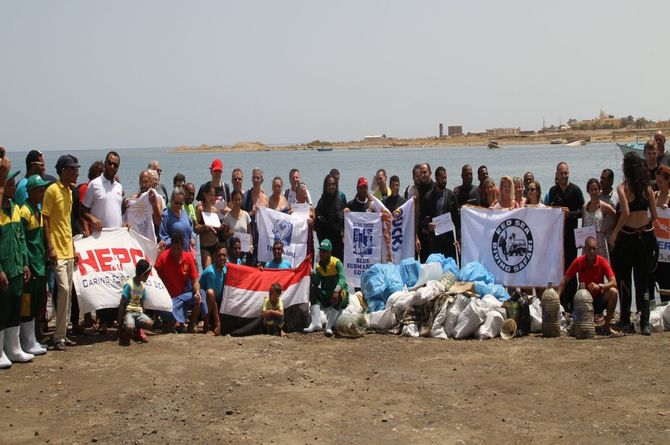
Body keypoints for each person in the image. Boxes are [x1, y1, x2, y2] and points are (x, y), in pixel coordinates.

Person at [610, 152, 658, 335]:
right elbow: (653, 216)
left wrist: (615, 232)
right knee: (642, 281)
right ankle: (644, 321)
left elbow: (626, 212)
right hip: (645, 236)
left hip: (627, 237)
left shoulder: (623, 187)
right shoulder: (647, 189)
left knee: (624, 279)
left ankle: (624, 318)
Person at [43, 155, 80, 351]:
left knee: (68, 294)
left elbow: (67, 222)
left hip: (68, 248)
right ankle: (58, 336)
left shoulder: (70, 192)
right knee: (63, 290)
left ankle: (62, 334)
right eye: (73, 169)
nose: (77, 172)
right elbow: (46, 219)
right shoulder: (52, 191)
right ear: (63, 170)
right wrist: (50, 246)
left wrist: (73, 247)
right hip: (57, 250)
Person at [1, 166, 33, 367]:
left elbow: (21, 238)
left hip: (17, 268)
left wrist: (25, 263)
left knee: (15, 306)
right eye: (10, 185)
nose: (14, 188)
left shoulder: (14, 208)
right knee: (1, 309)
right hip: (4, 268)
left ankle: (13, 348)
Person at [557, 236, 619, 335]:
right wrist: (557, 296)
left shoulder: (602, 261)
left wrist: (600, 286)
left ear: (597, 249)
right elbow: (565, 280)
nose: (591, 252)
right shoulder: (579, 261)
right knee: (579, 328)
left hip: (598, 300)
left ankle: (607, 326)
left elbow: (614, 282)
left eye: (594, 249)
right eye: (589, 248)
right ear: (584, 249)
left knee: (613, 291)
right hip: (583, 302)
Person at [19, 175, 51, 356]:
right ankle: (26, 341)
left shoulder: (37, 210)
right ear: (31, 192)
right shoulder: (24, 212)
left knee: (36, 303)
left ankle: (32, 339)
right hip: (31, 266)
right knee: (27, 304)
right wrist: (26, 264)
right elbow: (22, 240)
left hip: (40, 265)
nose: (43, 193)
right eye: (40, 190)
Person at [546, 162, 585, 312]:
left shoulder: (575, 190)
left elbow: (582, 212)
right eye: (561, 173)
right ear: (556, 174)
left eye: (566, 173)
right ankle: (560, 301)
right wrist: (556, 210)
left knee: (571, 268)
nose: (564, 176)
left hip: (571, 237)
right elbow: (549, 212)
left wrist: (571, 214)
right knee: (558, 269)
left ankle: (571, 301)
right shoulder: (553, 191)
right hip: (557, 238)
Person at [154, 231, 207, 333]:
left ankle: (190, 325)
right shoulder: (163, 257)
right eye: (174, 249)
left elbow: (195, 279)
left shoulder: (188, 257)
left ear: (183, 247)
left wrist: (196, 292)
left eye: (179, 249)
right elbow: (153, 274)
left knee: (202, 294)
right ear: (171, 247)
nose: (176, 251)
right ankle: (175, 320)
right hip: (168, 299)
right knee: (168, 310)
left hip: (183, 296)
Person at [304, 239, 348, 337]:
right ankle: (316, 323)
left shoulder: (336, 263)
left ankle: (328, 327)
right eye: (321, 251)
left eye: (324, 251)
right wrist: (311, 272)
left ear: (329, 253)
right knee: (313, 290)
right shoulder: (319, 266)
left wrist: (336, 291)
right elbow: (316, 283)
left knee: (341, 293)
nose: (322, 253)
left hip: (339, 295)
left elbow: (342, 279)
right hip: (328, 295)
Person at [82, 151, 123, 233]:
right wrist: (92, 219)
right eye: (110, 163)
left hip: (117, 236)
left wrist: (124, 224)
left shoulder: (119, 186)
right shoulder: (94, 184)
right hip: (100, 237)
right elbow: (82, 211)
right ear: (105, 163)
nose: (112, 166)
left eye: (115, 165)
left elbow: (117, 212)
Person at [117, 259, 154, 346]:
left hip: (138, 312)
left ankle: (138, 329)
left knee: (149, 323)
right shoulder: (129, 285)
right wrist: (119, 326)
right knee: (129, 327)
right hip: (129, 312)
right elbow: (122, 305)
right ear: (142, 275)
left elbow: (142, 303)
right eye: (147, 275)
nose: (148, 277)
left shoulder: (142, 286)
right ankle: (125, 333)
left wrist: (142, 314)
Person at [425, 166, 459, 261]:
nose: (444, 180)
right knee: (436, 269)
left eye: (445, 178)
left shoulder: (451, 195)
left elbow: (456, 219)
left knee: (451, 270)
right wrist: (428, 225)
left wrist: (458, 238)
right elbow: (422, 217)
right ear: (436, 178)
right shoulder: (428, 197)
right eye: (442, 178)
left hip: (448, 239)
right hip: (435, 240)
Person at [582, 178, 616, 262]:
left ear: (599, 190)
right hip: (587, 243)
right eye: (591, 189)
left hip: (600, 242)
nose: (593, 192)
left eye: (595, 189)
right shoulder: (584, 207)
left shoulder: (604, 206)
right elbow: (583, 226)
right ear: (588, 191)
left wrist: (609, 229)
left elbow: (617, 216)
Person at [195, 182, 226, 269]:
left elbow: (217, 230)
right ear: (205, 194)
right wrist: (205, 227)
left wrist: (221, 227)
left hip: (215, 244)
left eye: (214, 195)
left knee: (217, 271)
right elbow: (195, 228)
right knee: (208, 271)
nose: (212, 198)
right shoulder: (200, 209)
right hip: (205, 246)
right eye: (210, 195)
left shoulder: (215, 210)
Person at [315, 174, 345, 261]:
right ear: (325, 186)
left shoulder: (340, 201)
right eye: (329, 185)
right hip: (326, 244)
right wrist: (322, 245)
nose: (331, 187)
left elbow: (343, 222)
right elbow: (319, 225)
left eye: (333, 184)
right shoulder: (322, 202)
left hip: (339, 244)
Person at [199, 243, 227, 336]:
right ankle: (206, 325)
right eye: (219, 255)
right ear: (215, 256)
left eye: (224, 255)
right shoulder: (211, 272)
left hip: (216, 303)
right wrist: (218, 324)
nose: (222, 258)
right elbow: (212, 297)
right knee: (210, 293)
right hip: (202, 305)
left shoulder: (226, 269)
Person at [243, 167, 268, 265]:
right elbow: (241, 218)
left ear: (262, 180)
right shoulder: (246, 196)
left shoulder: (266, 199)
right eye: (253, 178)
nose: (255, 180)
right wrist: (251, 213)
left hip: (262, 240)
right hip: (250, 238)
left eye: (257, 178)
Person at [654, 165, 670, 302]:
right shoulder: (654, 195)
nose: (659, 185)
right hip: (656, 249)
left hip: (668, 251)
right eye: (657, 182)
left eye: (661, 182)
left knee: (667, 283)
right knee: (656, 282)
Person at [224, 190, 253, 263]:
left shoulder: (246, 215)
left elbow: (250, 233)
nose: (237, 202)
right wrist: (228, 234)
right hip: (231, 253)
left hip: (243, 251)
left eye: (239, 199)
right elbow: (224, 236)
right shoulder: (227, 217)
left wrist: (250, 246)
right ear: (232, 201)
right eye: (235, 200)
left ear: (242, 200)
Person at [416, 163, 435, 262]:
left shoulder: (436, 188)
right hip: (422, 234)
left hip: (436, 233)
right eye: (421, 173)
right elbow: (416, 215)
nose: (423, 175)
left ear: (430, 173)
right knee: (424, 264)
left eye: (425, 172)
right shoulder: (417, 191)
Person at [599, 168, 619, 251]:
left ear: (611, 181)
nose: (601, 181)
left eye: (604, 179)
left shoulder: (617, 197)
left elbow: (620, 217)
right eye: (601, 178)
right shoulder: (597, 196)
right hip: (599, 240)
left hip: (612, 240)